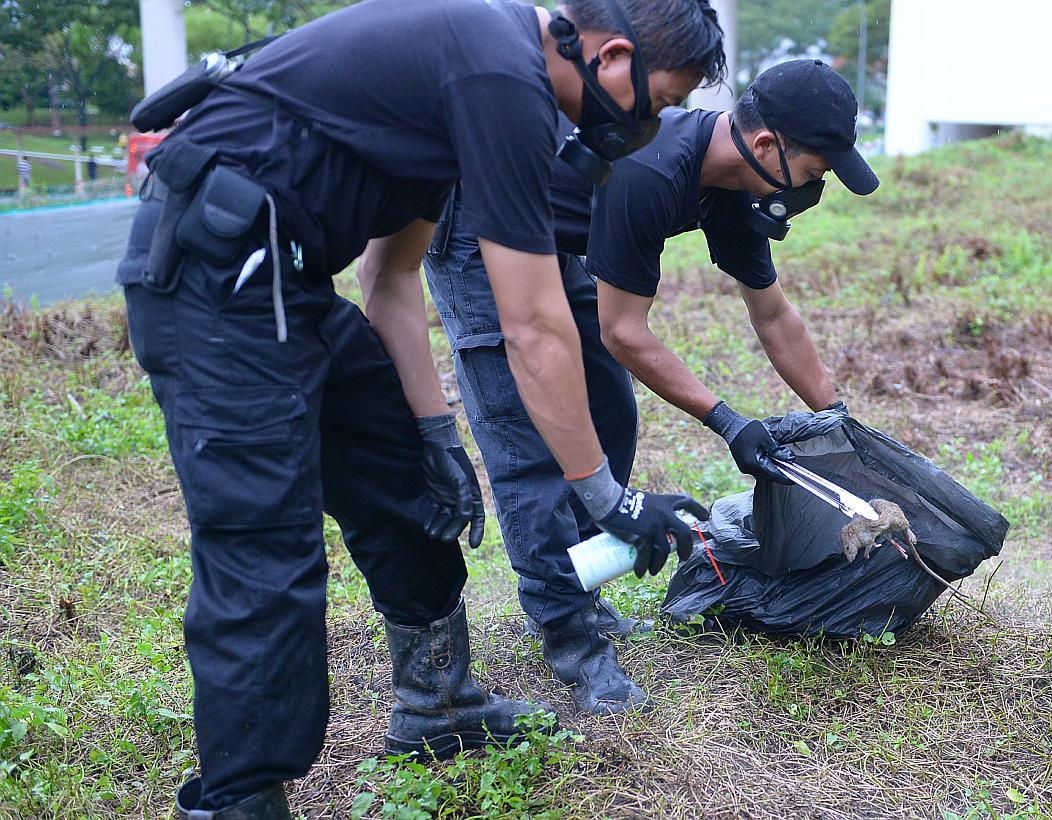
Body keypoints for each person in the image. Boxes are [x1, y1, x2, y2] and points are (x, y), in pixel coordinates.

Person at [113, 0, 725, 816]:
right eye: (655, 103)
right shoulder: (499, 72)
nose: (650, 126)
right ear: (613, 59)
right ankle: (239, 800)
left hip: (283, 284)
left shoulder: (486, 70)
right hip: (210, 280)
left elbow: (390, 278)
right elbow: (534, 326)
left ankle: (437, 705)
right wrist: (607, 496)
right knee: (263, 547)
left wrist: (432, 432)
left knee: (411, 491)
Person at [423, 59, 878, 715]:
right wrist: (728, 422)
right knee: (534, 443)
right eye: (814, 174)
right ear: (766, 148)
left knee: (609, 413)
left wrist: (838, 423)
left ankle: (577, 591)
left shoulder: (732, 190)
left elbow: (773, 314)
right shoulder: (651, 170)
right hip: (477, 230)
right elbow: (626, 333)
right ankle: (574, 643)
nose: (813, 192)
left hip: (557, 241)